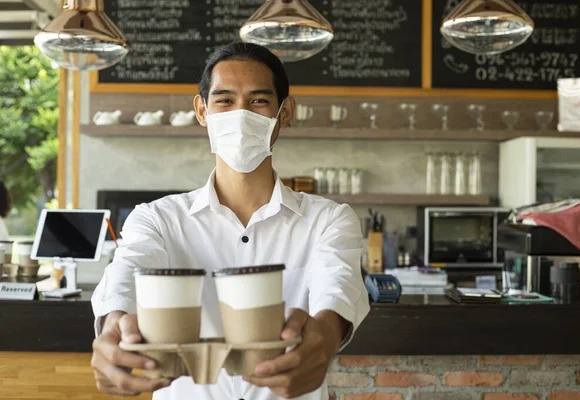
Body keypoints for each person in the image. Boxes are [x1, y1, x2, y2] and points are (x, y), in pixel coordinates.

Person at [90, 42, 370, 400]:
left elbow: (339, 288)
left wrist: (325, 338)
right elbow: (126, 273)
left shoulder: (329, 220)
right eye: (224, 100)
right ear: (202, 110)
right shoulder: (156, 219)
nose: (241, 115)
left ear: (285, 113)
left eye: (258, 101)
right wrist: (114, 324)